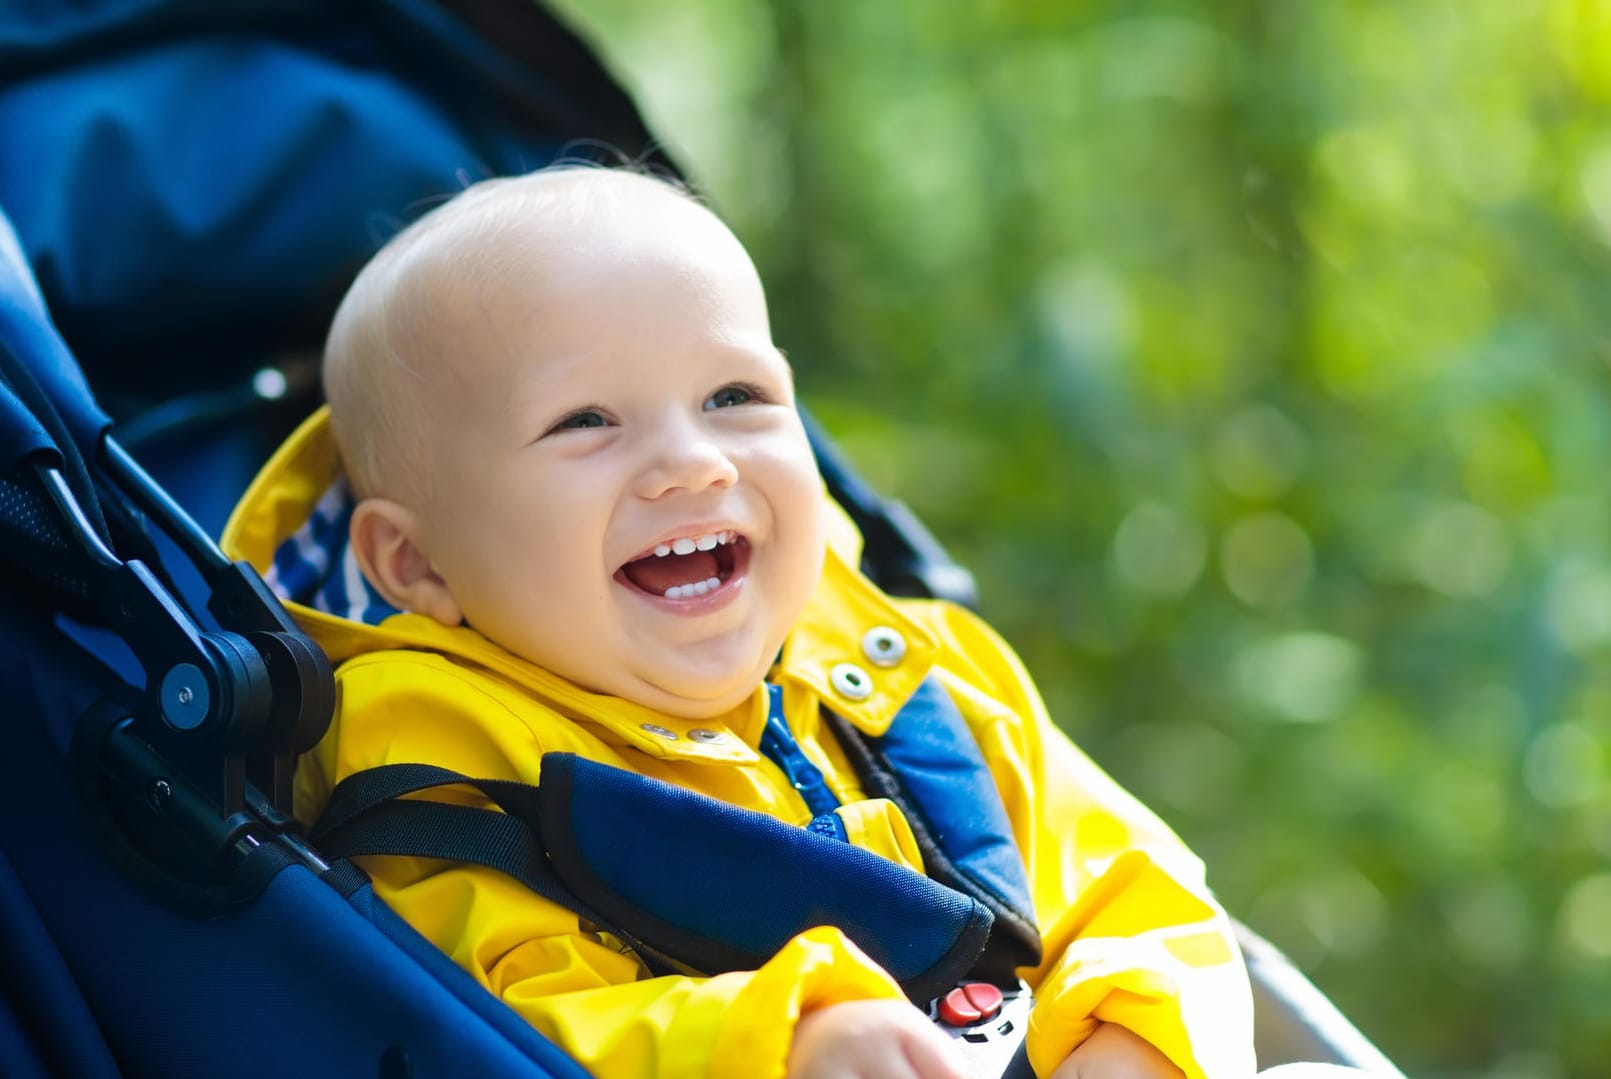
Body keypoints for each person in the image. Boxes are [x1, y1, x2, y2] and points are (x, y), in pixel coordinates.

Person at [222, 166, 1330, 1079]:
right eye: (586, 421)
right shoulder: (439, 770)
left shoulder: (909, 660)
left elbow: (1128, 877)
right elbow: (521, 1023)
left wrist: (1131, 1039)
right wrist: (784, 1039)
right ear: (416, 560)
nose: (693, 460)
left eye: (735, 398)